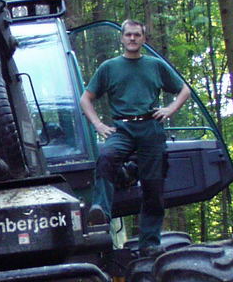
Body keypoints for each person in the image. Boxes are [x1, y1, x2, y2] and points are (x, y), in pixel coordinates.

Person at [79, 19, 190, 255]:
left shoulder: (155, 66)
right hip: (122, 129)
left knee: (153, 185)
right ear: (121, 38)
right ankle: (101, 215)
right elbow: (85, 99)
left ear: (143, 39)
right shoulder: (109, 67)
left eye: (137, 35)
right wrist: (98, 124)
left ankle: (149, 243)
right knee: (107, 157)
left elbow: (184, 89)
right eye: (128, 35)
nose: (132, 39)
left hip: (151, 128)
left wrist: (170, 109)